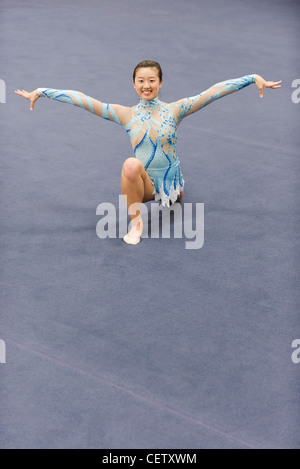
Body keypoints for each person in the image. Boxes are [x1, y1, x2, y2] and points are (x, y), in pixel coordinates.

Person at [15, 60, 281, 245]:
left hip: (173, 188)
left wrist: (251, 79)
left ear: (160, 82)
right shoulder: (126, 114)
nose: (146, 85)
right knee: (131, 164)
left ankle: (169, 195)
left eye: (151, 80)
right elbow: (84, 100)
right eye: (141, 81)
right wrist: (41, 92)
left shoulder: (175, 110)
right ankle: (136, 223)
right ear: (133, 84)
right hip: (145, 188)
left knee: (172, 197)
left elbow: (211, 93)